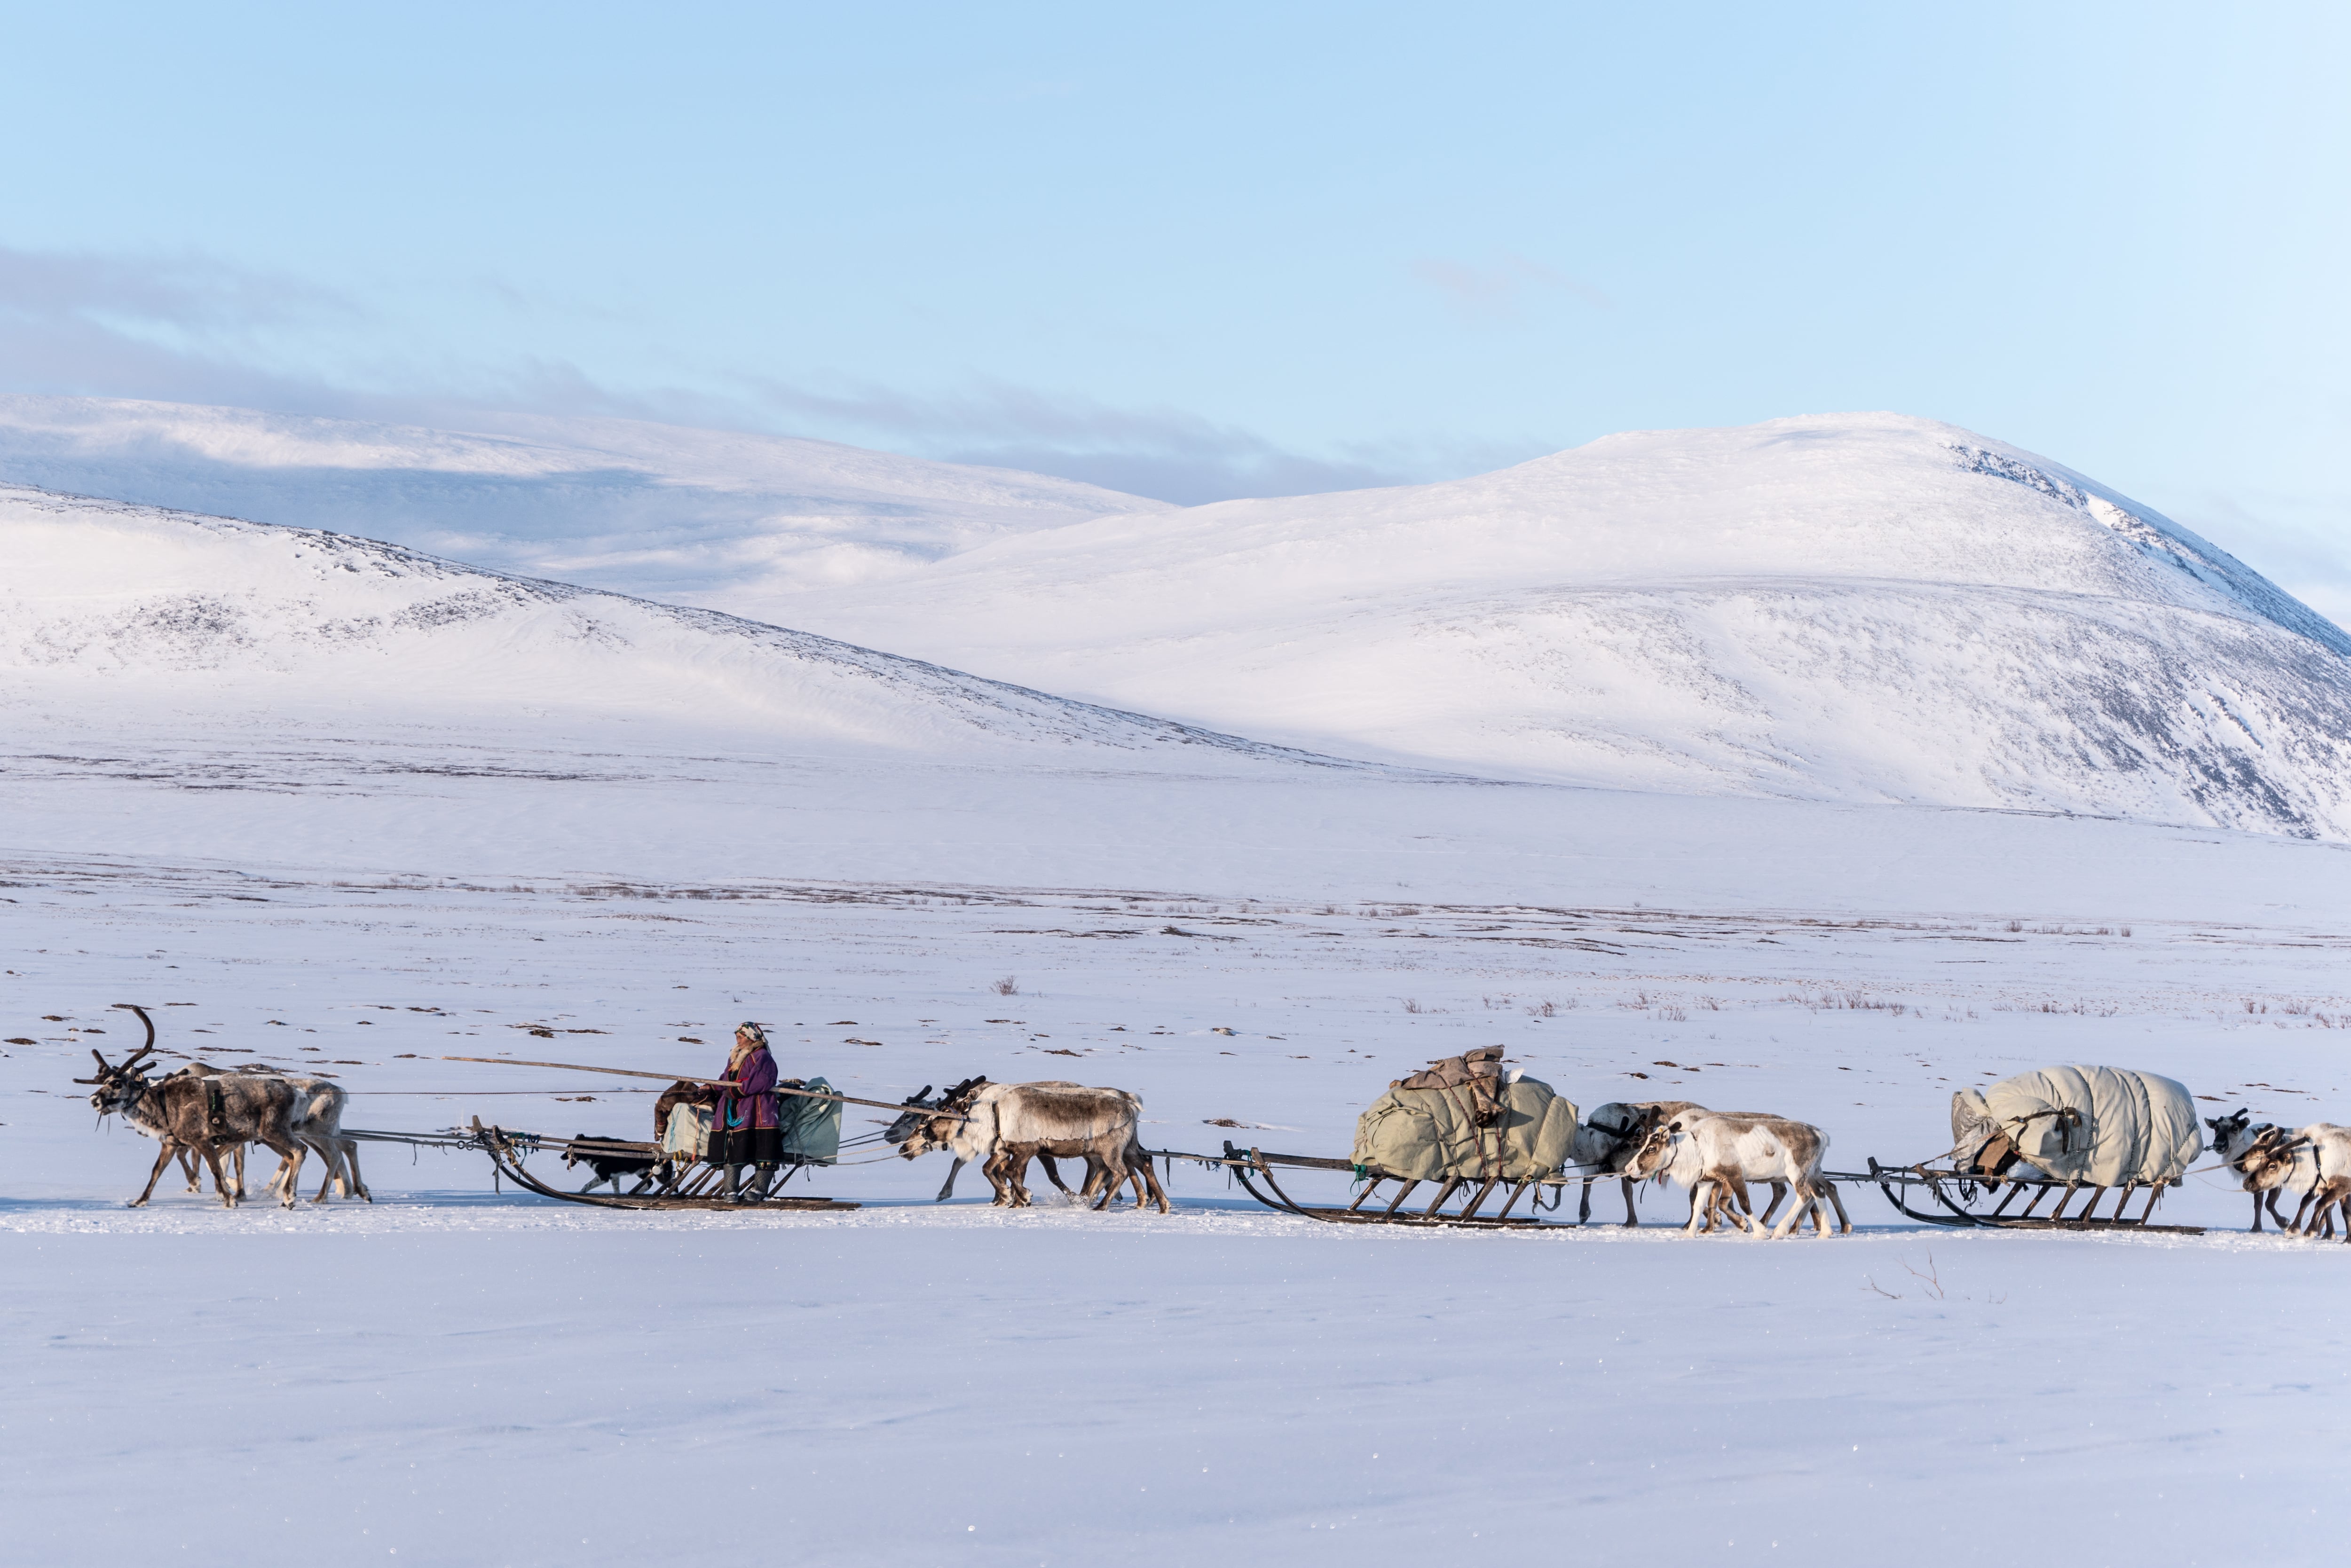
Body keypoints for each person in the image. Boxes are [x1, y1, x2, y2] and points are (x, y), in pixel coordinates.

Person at [711, 1022, 783, 1199]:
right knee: (733, 1148)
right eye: (737, 1037)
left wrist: (737, 1090)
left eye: (741, 1037)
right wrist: (713, 1088)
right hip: (735, 1109)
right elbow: (725, 1079)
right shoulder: (735, 1058)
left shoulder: (762, 1056)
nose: (738, 1041)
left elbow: (763, 1080)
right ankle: (731, 1191)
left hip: (759, 1110)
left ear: (752, 1038)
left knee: (763, 1149)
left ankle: (759, 1190)